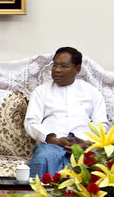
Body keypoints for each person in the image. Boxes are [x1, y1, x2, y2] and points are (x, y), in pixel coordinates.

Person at [24, 46, 108, 176]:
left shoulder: (92, 93)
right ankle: (40, 196)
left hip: (85, 145)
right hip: (52, 144)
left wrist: (86, 143)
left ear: (77, 69)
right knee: (43, 158)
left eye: (64, 66)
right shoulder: (41, 91)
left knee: (97, 163)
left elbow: (101, 125)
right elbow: (31, 122)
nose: (57, 70)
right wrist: (54, 139)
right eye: (55, 65)